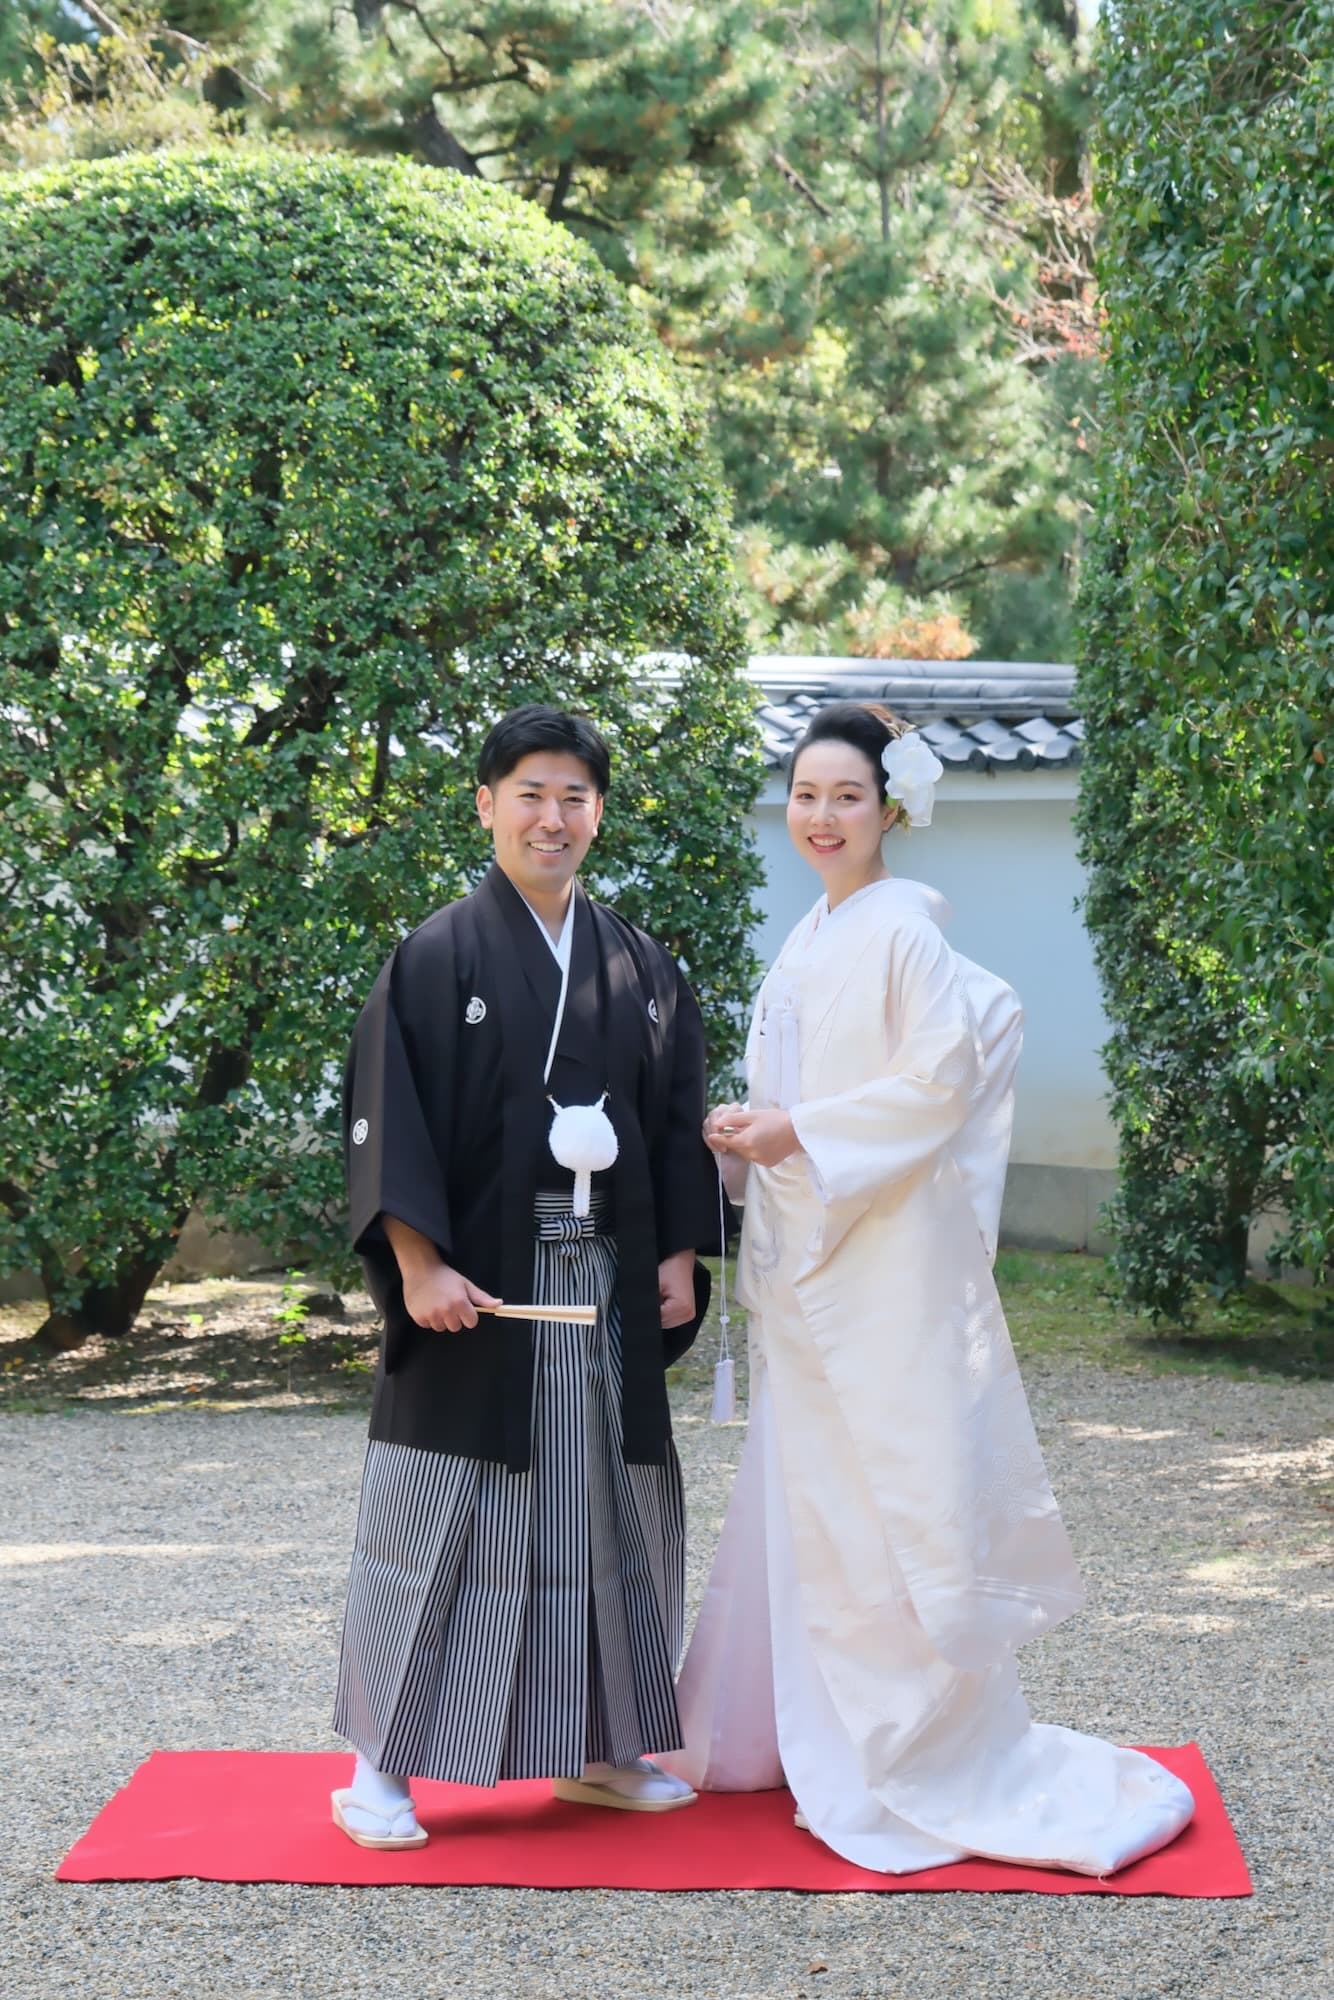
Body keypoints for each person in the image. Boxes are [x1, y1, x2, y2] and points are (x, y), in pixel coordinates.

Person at [664, 700, 1196, 1877]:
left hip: (879, 1263)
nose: (821, 816)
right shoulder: (808, 936)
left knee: (877, 1504)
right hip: (810, 1259)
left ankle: (890, 1748)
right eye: (805, 795)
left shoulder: (902, 932)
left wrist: (797, 1129)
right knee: (805, 1504)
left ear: (888, 808)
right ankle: (790, 1732)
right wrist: (751, 1134)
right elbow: (805, 1093)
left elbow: (936, 1086)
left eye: (845, 796)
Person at [330, 704, 718, 1848]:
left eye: (573, 797)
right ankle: (377, 1768)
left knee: (604, 1512)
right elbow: (386, 1112)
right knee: (438, 1512)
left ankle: (602, 1746)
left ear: (598, 812)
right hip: (479, 1283)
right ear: (486, 804)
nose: (552, 817)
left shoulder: (638, 962)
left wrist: (676, 1252)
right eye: (530, 794)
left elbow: (674, 1114)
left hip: (602, 1285)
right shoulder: (437, 954)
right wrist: (417, 1262)